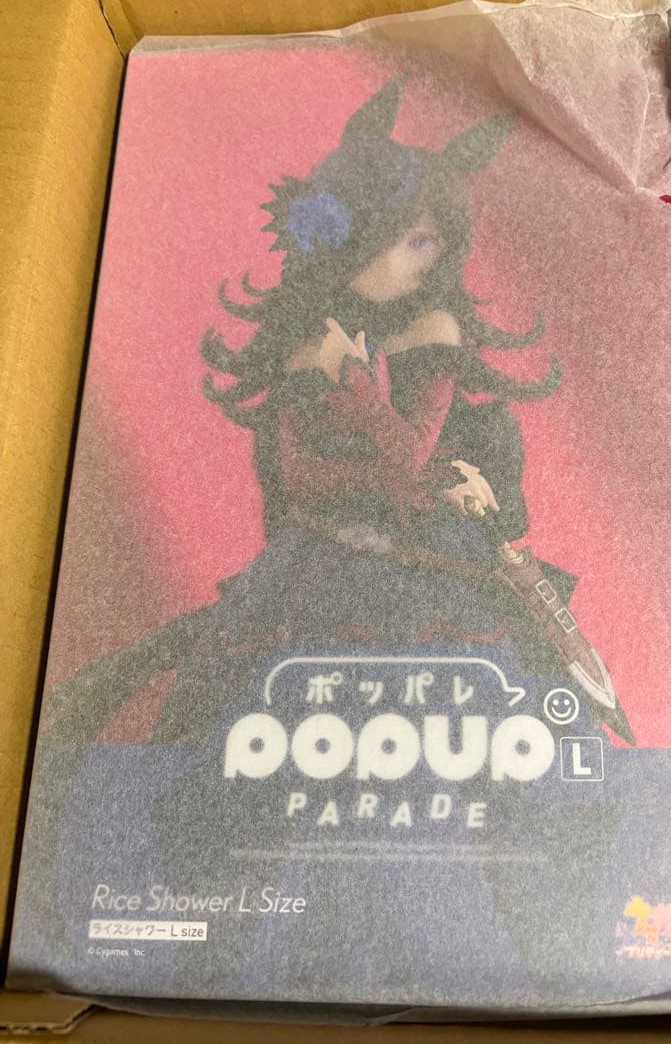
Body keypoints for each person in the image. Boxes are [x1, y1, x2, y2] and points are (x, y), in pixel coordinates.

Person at [44, 73, 634, 746]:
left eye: (437, 241)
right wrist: (403, 449)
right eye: (414, 239)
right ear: (356, 236)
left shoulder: (433, 327)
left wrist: (385, 426)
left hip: (429, 559)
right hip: (319, 557)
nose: (430, 259)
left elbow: (409, 449)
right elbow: (305, 477)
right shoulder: (308, 345)